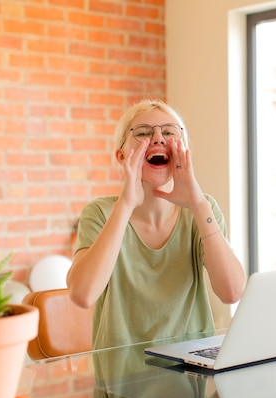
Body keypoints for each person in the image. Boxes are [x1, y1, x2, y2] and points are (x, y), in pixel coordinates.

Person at [67, 99, 246, 350]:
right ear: (121, 155)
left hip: (191, 373)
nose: (158, 138)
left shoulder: (202, 210)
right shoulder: (99, 213)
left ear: (183, 151)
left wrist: (199, 205)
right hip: (121, 378)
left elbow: (232, 292)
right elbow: (83, 294)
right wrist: (125, 205)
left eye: (170, 132)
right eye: (142, 133)